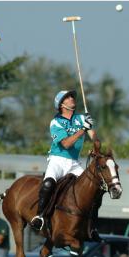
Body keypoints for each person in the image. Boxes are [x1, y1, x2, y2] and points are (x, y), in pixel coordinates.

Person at [30, 89, 102, 241]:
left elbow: (95, 140)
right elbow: (67, 144)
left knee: (95, 189)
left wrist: (94, 140)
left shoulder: (81, 118)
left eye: (72, 96)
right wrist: (83, 129)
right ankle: (40, 216)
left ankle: (92, 226)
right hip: (57, 160)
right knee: (48, 184)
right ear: (61, 104)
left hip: (74, 163)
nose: (72, 99)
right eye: (68, 97)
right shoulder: (55, 122)